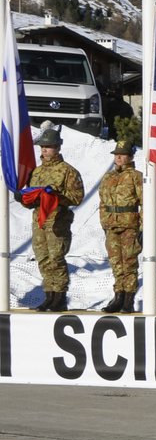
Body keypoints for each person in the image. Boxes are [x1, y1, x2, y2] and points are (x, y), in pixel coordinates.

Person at [20, 129, 83, 311]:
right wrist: (24, 200)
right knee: (43, 257)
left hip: (58, 220)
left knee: (56, 258)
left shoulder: (68, 171)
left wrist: (56, 196)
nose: (44, 151)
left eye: (48, 147)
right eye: (42, 147)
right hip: (40, 219)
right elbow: (32, 198)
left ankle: (60, 296)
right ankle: (49, 294)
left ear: (57, 148)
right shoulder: (36, 172)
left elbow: (77, 197)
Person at [99, 140, 143, 313]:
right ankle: (118, 296)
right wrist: (104, 221)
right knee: (116, 263)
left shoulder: (136, 176)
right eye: (116, 154)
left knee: (129, 263)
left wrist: (142, 227)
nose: (118, 157)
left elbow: (144, 202)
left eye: (122, 154)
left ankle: (128, 299)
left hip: (129, 225)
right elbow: (102, 201)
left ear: (130, 157)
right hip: (111, 225)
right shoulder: (108, 177)